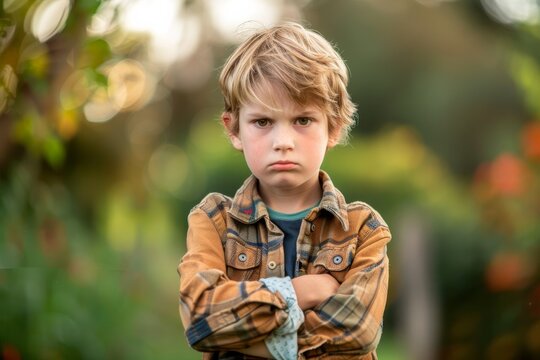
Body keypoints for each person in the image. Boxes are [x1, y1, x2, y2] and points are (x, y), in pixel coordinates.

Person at [177, 22, 391, 360]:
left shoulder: (363, 229)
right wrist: (296, 292)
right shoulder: (214, 222)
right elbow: (200, 319)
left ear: (333, 127)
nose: (283, 143)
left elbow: (356, 333)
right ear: (234, 131)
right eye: (262, 122)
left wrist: (247, 335)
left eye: (303, 121)